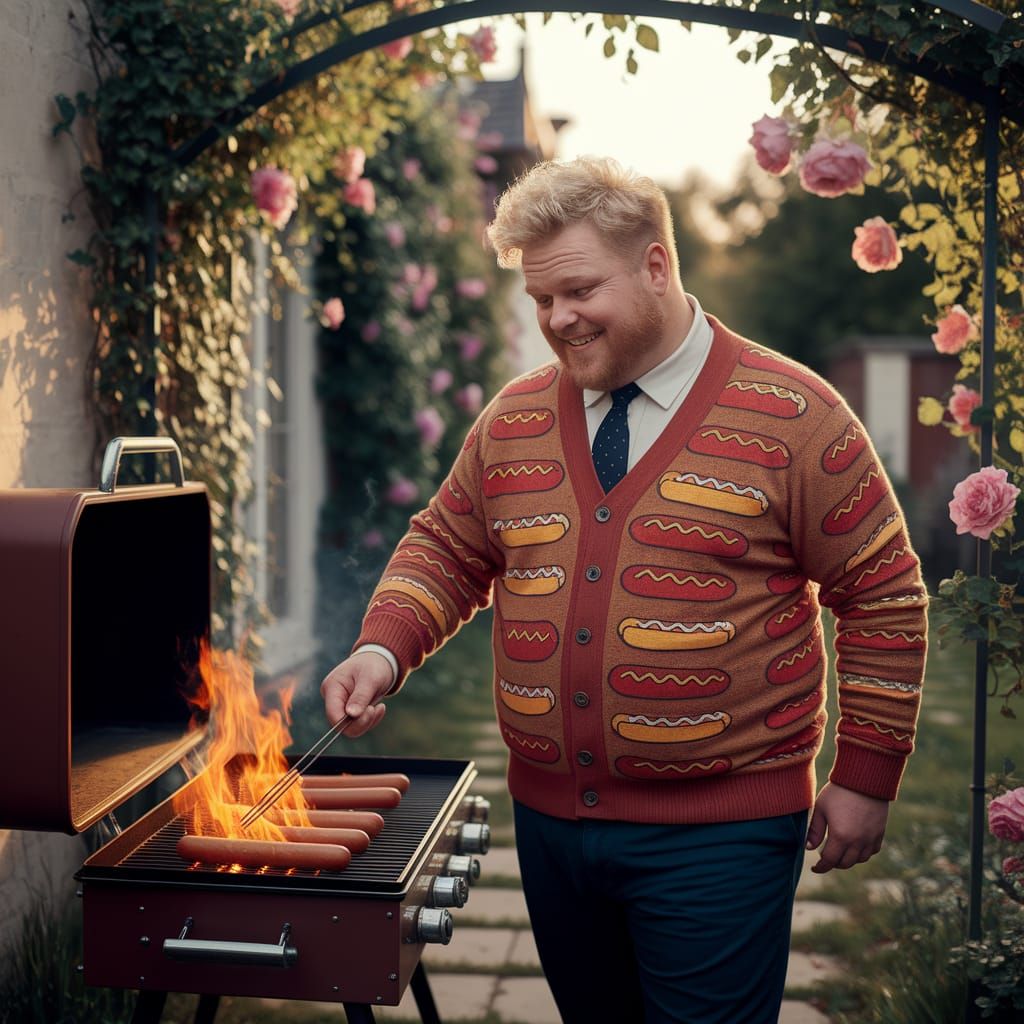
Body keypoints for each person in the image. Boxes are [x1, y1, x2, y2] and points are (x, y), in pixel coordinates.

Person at [321, 156, 927, 1023]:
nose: (557, 320)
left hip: (721, 838)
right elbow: (450, 548)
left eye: (576, 290)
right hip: (551, 831)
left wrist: (867, 774)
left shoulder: (796, 416)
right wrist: (382, 649)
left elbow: (882, 591)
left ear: (654, 265)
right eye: (540, 301)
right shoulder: (515, 417)